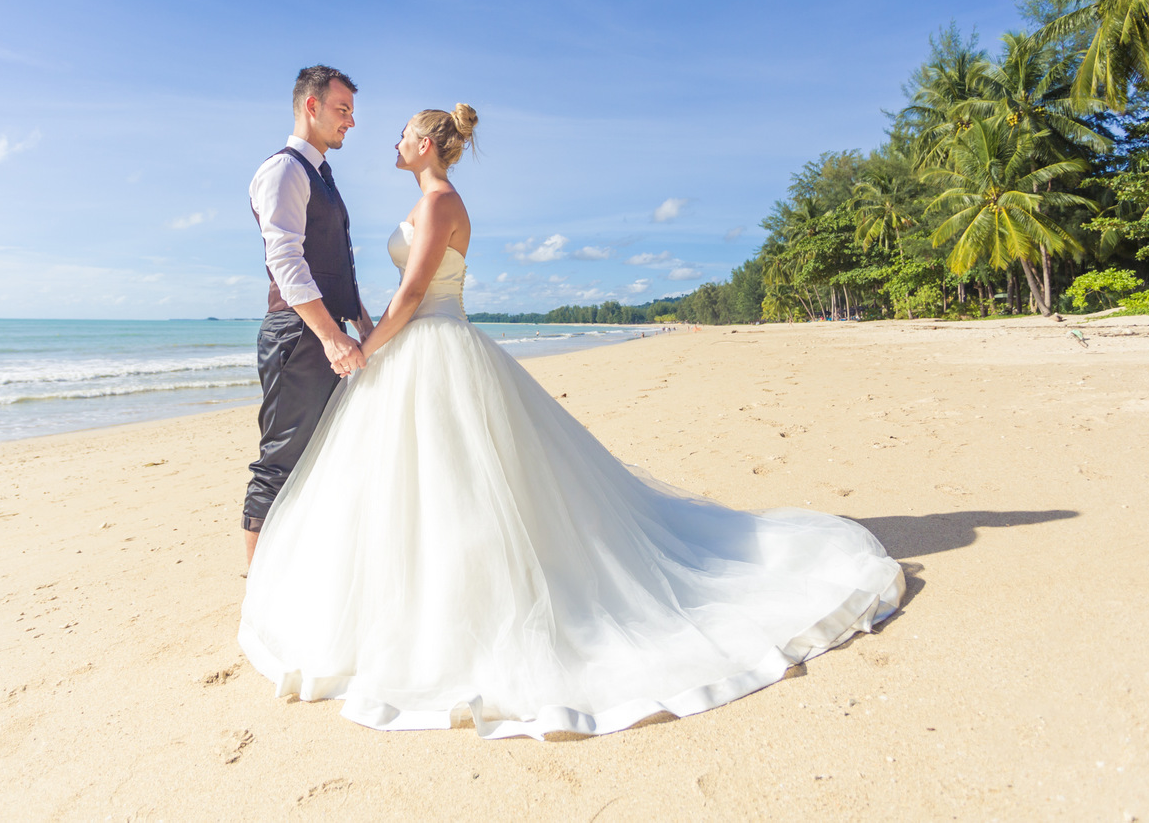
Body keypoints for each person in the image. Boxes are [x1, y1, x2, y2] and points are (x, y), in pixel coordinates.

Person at [238, 104, 903, 739]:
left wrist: (364, 349)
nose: (394, 141)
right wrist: (367, 332)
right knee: (412, 488)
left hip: (434, 344)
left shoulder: (441, 202)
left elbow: (415, 295)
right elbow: (402, 290)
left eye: (406, 134)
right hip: (411, 347)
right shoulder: (422, 202)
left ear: (430, 146)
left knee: (463, 484)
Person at [242, 65, 372, 570]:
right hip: (298, 336)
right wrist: (331, 339)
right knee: (280, 461)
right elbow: (287, 262)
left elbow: (336, 260)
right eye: (343, 110)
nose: (351, 123)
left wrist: (360, 321)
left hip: (325, 331)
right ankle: (257, 585)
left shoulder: (321, 173)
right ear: (310, 106)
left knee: (327, 455)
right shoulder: (283, 170)